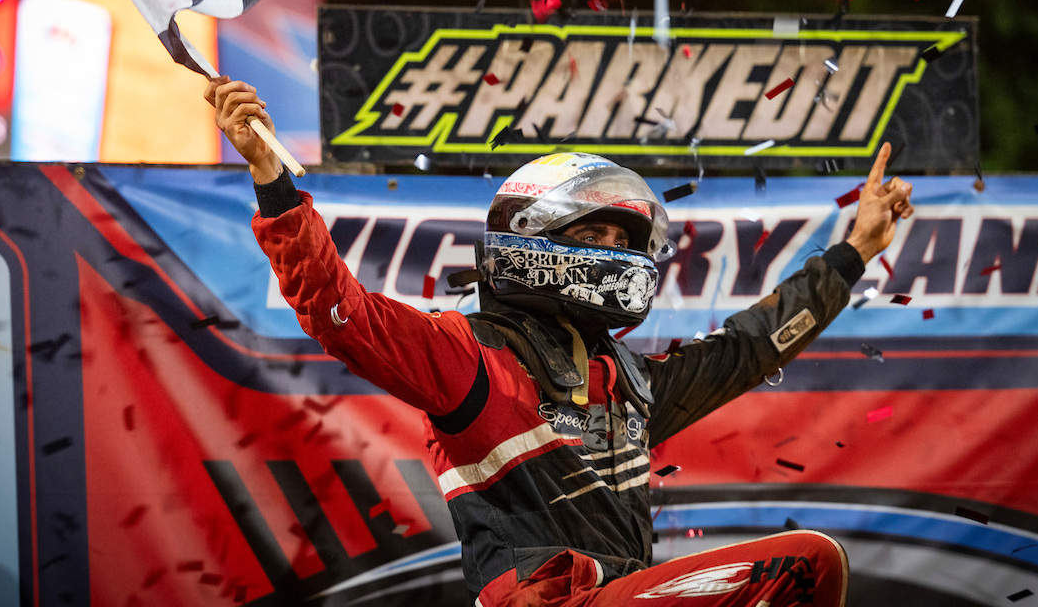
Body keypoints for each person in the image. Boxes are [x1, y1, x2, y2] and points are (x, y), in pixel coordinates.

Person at [206, 76, 914, 607]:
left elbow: (750, 348)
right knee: (804, 562)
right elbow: (342, 313)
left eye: (620, 239)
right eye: (592, 235)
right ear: (532, 240)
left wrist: (852, 254)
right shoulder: (470, 355)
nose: (612, 251)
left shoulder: (631, 380)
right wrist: (272, 180)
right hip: (541, 600)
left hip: (622, 594)